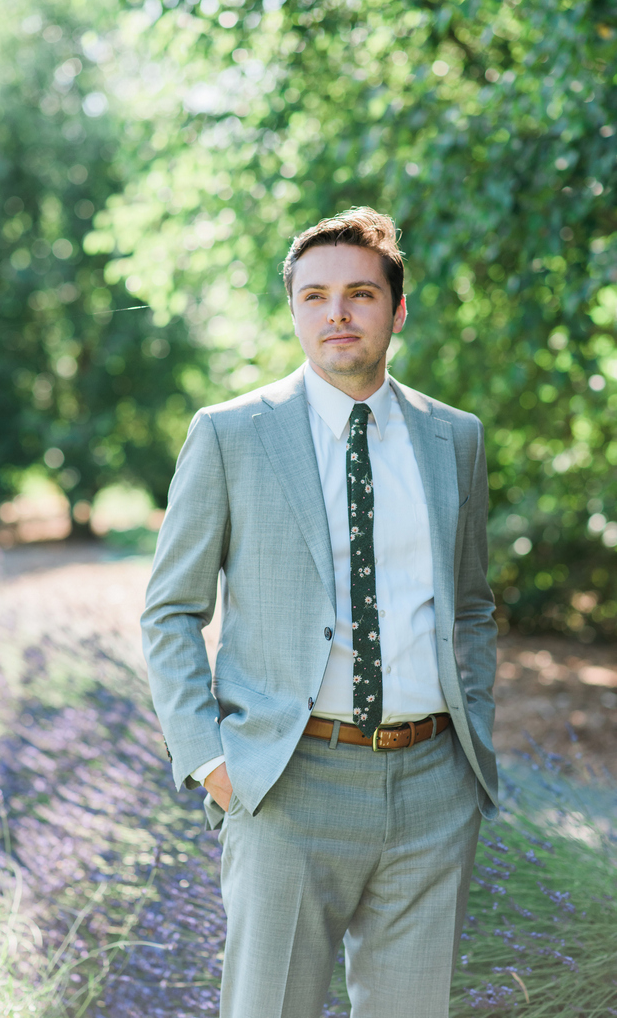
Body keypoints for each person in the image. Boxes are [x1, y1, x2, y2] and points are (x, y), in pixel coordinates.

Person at [141, 207, 498, 1018]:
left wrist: (472, 731)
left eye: (360, 294)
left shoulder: (458, 439)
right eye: (315, 296)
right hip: (286, 781)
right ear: (295, 309)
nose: (337, 312)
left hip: (434, 785)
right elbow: (170, 612)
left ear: (397, 310)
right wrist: (212, 762)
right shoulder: (231, 435)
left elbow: (472, 606)